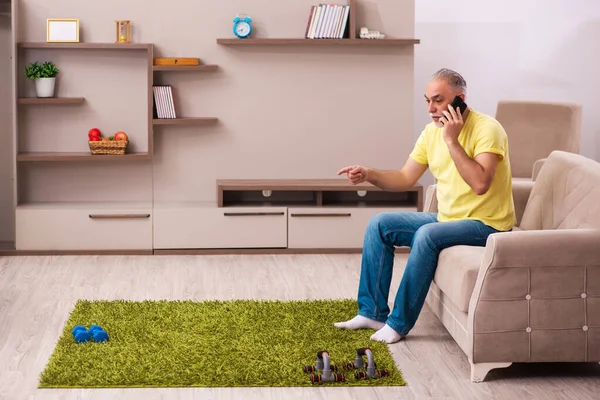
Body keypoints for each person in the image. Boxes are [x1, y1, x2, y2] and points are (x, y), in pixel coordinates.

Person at [335, 68, 516, 344]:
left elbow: (480, 183)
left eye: (438, 100)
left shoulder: (487, 129)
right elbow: (405, 177)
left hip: (488, 225)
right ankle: (371, 312)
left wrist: (452, 141)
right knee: (380, 225)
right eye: (427, 100)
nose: (431, 109)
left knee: (427, 235)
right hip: (449, 219)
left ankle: (398, 324)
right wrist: (369, 174)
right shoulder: (431, 133)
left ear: (460, 99)